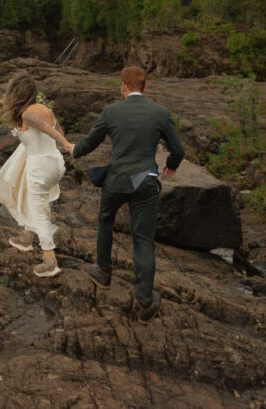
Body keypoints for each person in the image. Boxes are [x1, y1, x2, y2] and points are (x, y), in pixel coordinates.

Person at [68, 65, 184, 323]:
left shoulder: (111, 111)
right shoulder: (160, 113)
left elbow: (89, 143)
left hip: (116, 181)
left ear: (122, 87)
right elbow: (178, 149)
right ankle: (145, 303)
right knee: (143, 240)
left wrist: (73, 150)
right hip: (145, 182)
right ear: (145, 88)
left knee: (105, 221)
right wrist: (172, 166)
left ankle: (103, 272)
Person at [0, 74, 72, 277]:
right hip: (54, 163)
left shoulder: (29, 115)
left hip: (40, 166)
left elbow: (48, 130)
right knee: (31, 197)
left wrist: (68, 145)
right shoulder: (44, 109)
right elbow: (55, 128)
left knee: (40, 212)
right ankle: (26, 238)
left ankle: (49, 260)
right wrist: (65, 145)